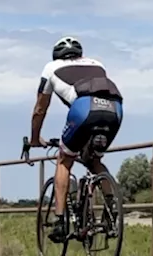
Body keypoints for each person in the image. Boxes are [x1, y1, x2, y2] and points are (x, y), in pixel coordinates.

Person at [29, 36, 124, 242]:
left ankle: (60, 220)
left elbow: (40, 109)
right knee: (94, 160)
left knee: (64, 160)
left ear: (56, 55)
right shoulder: (97, 64)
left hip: (84, 108)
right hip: (115, 108)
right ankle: (110, 210)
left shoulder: (51, 68)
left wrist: (35, 138)